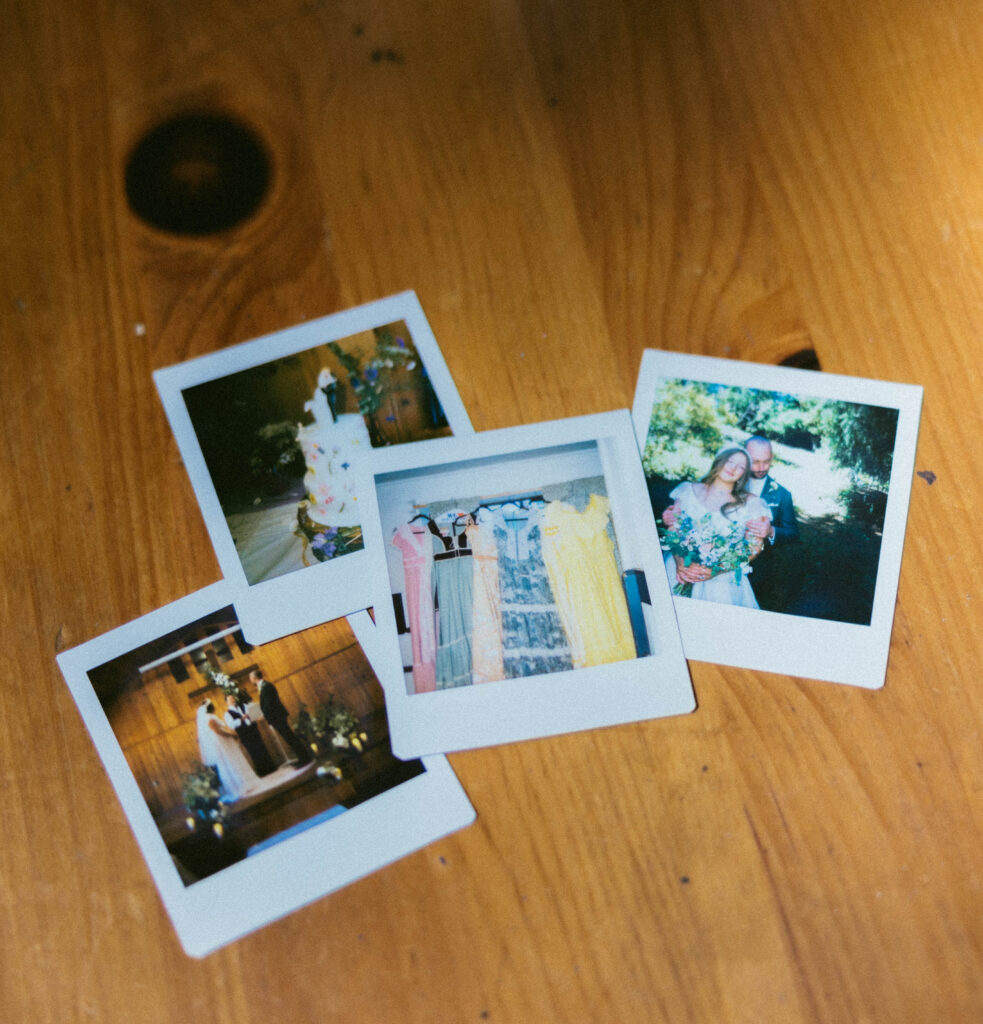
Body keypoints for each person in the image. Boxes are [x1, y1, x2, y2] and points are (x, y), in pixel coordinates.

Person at [661, 445, 772, 608]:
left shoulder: (752, 504)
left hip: (722, 583)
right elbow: (673, 529)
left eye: (741, 467)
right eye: (730, 461)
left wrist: (716, 569)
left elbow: (753, 547)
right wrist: (680, 563)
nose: (733, 468)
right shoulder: (687, 491)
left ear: (744, 474)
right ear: (719, 461)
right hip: (679, 571)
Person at [741, 436, 799, 610]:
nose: (761, 468)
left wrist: (772, 531)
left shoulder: (782, 495)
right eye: (755, 462)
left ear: (772, 458)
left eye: (766, 462)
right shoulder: (728, 483)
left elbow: (793, 533)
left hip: (759, 571)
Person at [196, 700, 261, 801]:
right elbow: (217, 731)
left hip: (223, 742)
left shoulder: (208, 718)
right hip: (222, 743)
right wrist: (232, 735)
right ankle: (239, 786)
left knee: (233, 761)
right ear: (210, 707)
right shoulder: (210, 718)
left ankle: (242, 784)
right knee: (231, 762)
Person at [253, 670, 313, 767]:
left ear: (255, 678)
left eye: (251, 678)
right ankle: (303, 757)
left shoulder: (266, 686)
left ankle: (305, 758)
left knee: (290, 737)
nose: (251, 680)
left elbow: (269, 704)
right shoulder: (263, 686)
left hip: (278, 716)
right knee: (289, 737)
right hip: (276, 716)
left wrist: (264, 715)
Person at [223, 692, 276, 776]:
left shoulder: (243, 706)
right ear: (226, 702)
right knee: (253, 751)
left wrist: (254, 716)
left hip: (253, 729)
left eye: (233, 698)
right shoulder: (227, 714)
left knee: (261, 747)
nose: (232, 700)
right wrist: (241, 719)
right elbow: (231, 725)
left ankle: (271, 767)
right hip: (244, 734)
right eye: (230, 699)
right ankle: (264, 772)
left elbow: (252, 711)